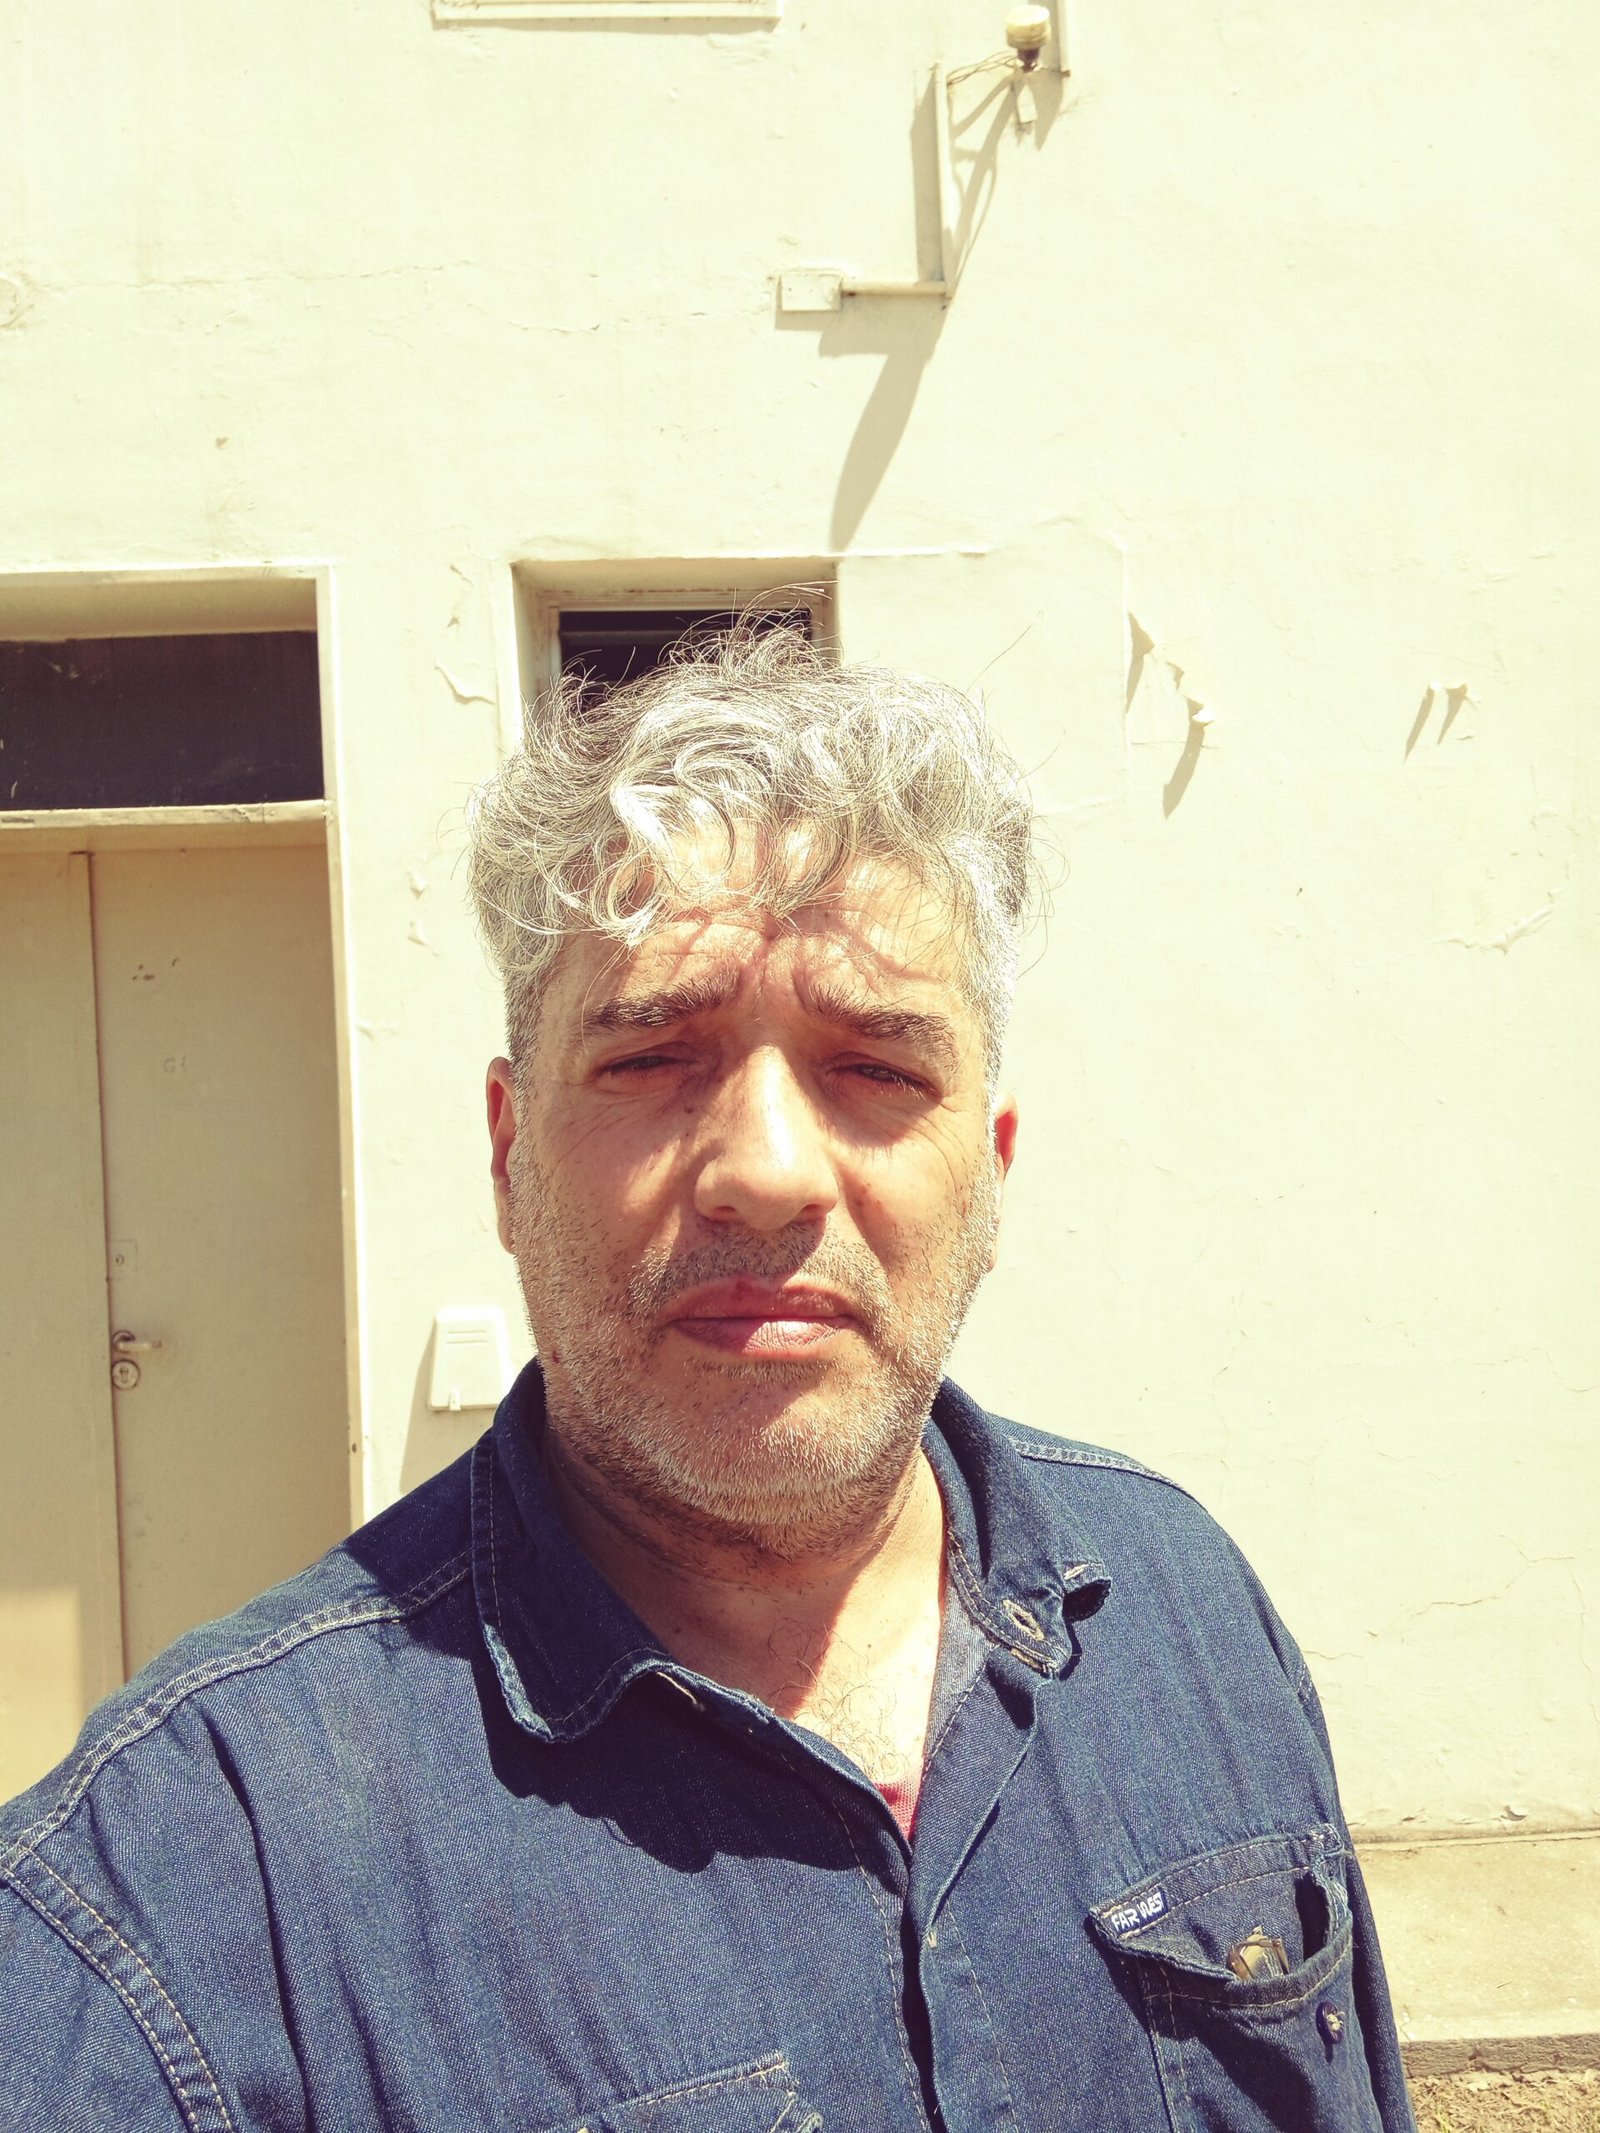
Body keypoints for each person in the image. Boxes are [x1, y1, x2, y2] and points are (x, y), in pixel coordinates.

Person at [0, 630, 1415, 2132]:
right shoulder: (180, 1892)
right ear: (508, 1155)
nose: (766, 1170)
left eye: (878, 1067)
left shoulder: (1186, 1606)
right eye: (654, 1057)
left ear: (992, 1175)